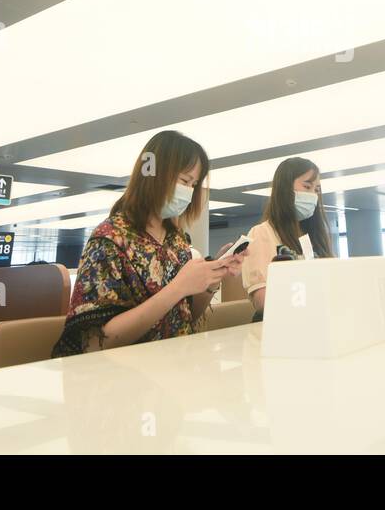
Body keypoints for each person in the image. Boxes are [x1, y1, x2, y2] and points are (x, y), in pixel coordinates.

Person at [51, 130, 243, 356]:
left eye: (193, 184)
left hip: (174, 368)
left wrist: (212, 278)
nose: (188, 192)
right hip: (121, 376)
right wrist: (178, 286)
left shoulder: (177, 241)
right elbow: (96, 342)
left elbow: (186, 315)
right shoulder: (109, 240)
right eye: (184, 181)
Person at [240, 157, 334, 313]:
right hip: (282, 326)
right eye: (307, 186)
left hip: (318, 321)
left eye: (316, 190)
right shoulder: (262, 233)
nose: (313, 195)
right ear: (285, 189)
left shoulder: (313, 235)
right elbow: (262, 301)